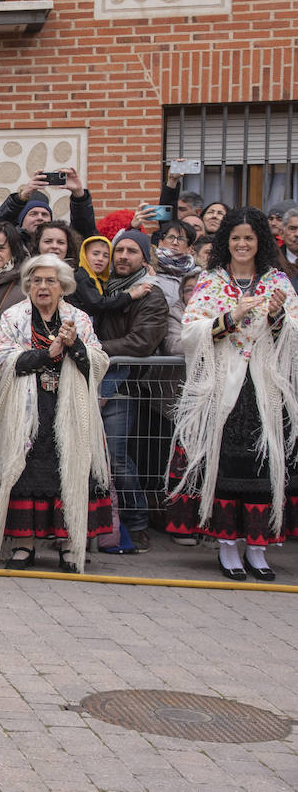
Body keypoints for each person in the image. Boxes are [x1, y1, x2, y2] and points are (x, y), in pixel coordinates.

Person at [166, 207, 298, 579]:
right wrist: (232, 317)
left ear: (261, 243)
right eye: (236, 238)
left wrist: (277, 318)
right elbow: (190, 333)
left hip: (265, 389)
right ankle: (227, 548)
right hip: (222, 388)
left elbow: (295, 330)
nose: (242, 244)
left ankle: (257, 549)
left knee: (263, 466)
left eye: (249, 238)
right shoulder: (210, 281)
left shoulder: (278, 281)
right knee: (224, 466)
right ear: (227, 241)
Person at [0, 255, 111, 574]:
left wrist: (75, 345)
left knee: (68, 471)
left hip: (67, 408)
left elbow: (99, 361)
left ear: (63, 286)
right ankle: (24, 545)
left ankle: (68, 545)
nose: (42, 286)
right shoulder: (14, 317)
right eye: (36, 281)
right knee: (24, 474)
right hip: (26, 410)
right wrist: (45, 354)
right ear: (27, 286)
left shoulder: (78, 318)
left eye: (50, 280)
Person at [96, 231, 169, 553]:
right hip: (88, 381)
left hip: (122, 386)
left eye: (131, 251)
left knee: (115, 457)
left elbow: (142, 342)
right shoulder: (100, 288)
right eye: (119, 250)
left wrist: (94, 348)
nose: (123, 256)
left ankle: (137, 521)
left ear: (144, 258)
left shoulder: (151, 296)